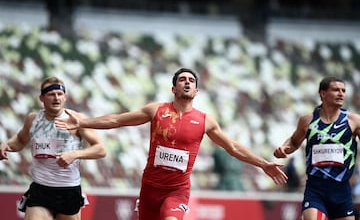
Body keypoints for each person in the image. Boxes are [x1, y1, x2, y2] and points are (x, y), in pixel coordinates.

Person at [55, 67, 288, 220]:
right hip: (149, 188)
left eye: (191, 81)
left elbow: (233, 147)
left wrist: (263, 164)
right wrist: (84, 123)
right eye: (182, 80)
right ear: (173, 88)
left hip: (177, 191)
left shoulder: (205, 121)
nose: (186, 83)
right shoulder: (156, 110)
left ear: (196, 90)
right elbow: (117, 120)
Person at [0, 77, 106, 220]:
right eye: (51, 94)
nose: (56, 98)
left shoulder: (76, 119)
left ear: (65, 97)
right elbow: (20, 140)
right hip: (41, 189)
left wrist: (74, 154)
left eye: (59, 94)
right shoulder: (33, 119)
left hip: (69, 190)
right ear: (42, 98)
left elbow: (100, 149)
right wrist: (7, 145)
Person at [273, 76, 360, 220]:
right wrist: (284, 148)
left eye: (343, 90)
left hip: (342, 190)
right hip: (316, 189)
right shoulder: (307, 121)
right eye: (336, 90)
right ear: (323, 93)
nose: (341, 94)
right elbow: (294, 142)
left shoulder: (354, 121)